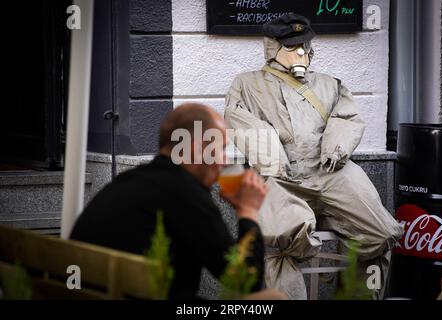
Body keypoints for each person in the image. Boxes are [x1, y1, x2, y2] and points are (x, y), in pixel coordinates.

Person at [224, 13, 404, 299]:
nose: (301, 52)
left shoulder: (329, 84)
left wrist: (337, 149)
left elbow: (347, 117)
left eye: (304, 45)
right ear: (272, 47)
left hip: (331, 171)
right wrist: (271, 158)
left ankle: (355, 295)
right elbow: (241, 122)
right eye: (291, 46)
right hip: (280, 177)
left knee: (379, 232)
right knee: (281, 237)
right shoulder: (247, 84)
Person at [70, 103, 274, 300]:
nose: (223, 162)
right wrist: (248, 210)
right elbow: (245, 280)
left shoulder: (130, 180)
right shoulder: (187, 194)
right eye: (221, 149)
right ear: (196, 150)